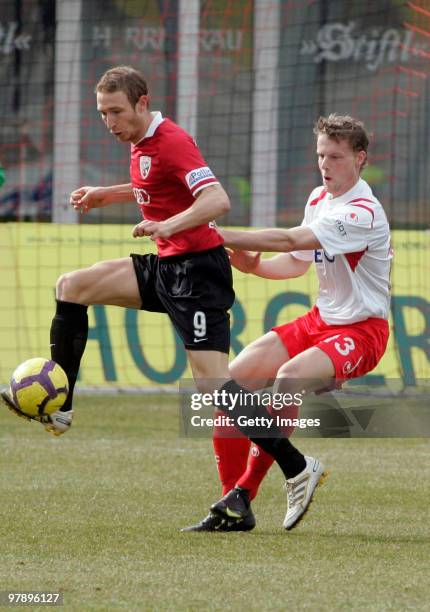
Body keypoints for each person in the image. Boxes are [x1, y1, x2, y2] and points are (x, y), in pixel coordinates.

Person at [2, 66, 331, 531]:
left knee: (214, 387)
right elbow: (154, 185)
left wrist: (168, 226)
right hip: (168, 266)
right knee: (71, 286)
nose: (109, 121)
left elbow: (217, 201)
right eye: (102, 113)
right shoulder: (140, 144)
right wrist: (105, 196)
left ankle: (298, 467)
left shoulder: (171, 139)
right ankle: (63, 404)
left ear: (141, 103)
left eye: (116, 111)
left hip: (199, 275)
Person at [183, 113, 392, 532]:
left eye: (335, 156)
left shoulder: (363, 212)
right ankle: (234, 505)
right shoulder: (319, 199)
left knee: (290, 375)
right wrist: (254, 266)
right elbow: (296, 261)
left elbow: (292, 239)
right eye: (320, 155)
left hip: (362, 331)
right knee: (230, 384)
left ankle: (252, 488)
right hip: (320, 320)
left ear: (360, 158)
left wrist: (220, 236)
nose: (325, 165)